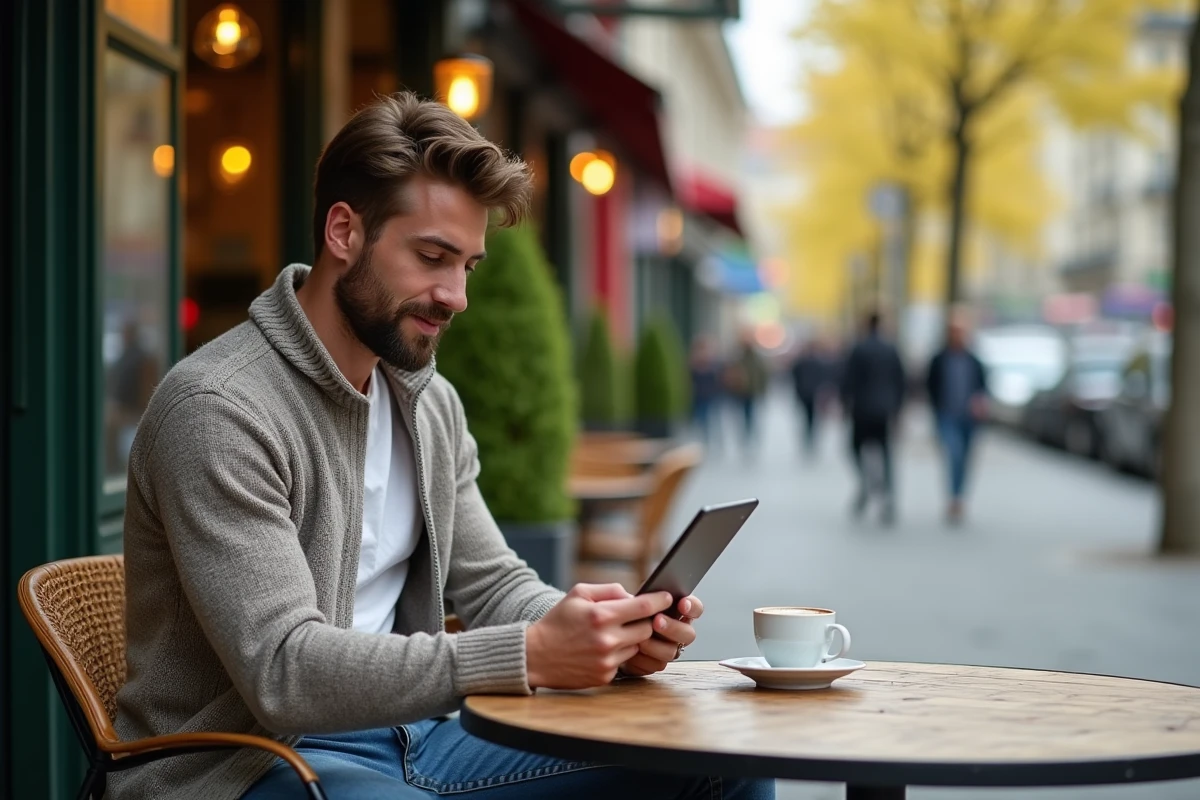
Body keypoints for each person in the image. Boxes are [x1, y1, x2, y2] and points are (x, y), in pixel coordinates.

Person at [111, 94, 774, 800]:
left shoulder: (427, 402)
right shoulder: (220, 408)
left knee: (718, 759)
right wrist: (529, 654)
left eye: (469, 266)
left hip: (414, 735)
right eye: (432, 256)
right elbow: (285, 672)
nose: (455, 295)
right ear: (344, 232)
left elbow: (492, 583)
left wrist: (600, 633)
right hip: (245, 763)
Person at [840, 312, 907, 525]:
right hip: (884, 411)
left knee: (854, 449)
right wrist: (897, 409)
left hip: (861, 410)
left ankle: (866, 482)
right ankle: (887, 495)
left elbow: (848, 379)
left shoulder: (859, 348)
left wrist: (845, 405)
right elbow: (900, 380)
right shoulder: (891, 349)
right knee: (886, 454)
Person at [926, 315, 989, 525]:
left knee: (965, 460)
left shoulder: (974, 360)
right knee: (954, 454)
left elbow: (983, 387)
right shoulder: (939, 359)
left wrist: (980, 402)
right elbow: (930, 386)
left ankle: (959, 496)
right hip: (947, 415)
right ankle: (954, 498)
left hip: (969, 418)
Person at [724, 329, 769, 454]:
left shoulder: (757, 357)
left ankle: (750, 435)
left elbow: (763, 374)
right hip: (740, 391)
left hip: (752, 391)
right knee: (741, 415)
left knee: (750, 414)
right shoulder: (737, 356)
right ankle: (745, 436)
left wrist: (762, 390)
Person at [790, 338, 833, 456]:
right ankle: (811, 437)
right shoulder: (818, 362)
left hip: (805, 393)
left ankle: (808, 437)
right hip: (813, 394)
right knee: (812, 417)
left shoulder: (801, 362)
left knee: (807, 417)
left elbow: (794, 377)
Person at [688, 334, 724, 448]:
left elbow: (719, 378)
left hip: (711, 396)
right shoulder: (694, 361)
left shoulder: (713, 361)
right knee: (702, 419)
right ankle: (705, 440)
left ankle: (715, 442)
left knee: (714, 420)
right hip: (699, 396)